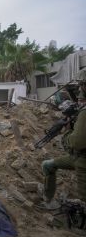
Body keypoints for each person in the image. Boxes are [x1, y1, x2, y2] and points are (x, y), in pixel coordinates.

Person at [41, 69, 86, 208]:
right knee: (48, 165)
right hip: (78, 157)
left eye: (81, 85)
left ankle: (48, 202)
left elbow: (77, 143)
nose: (79, 89)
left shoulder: (84, 113)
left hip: (82, 160)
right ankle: (48, 201)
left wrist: (66, 133)